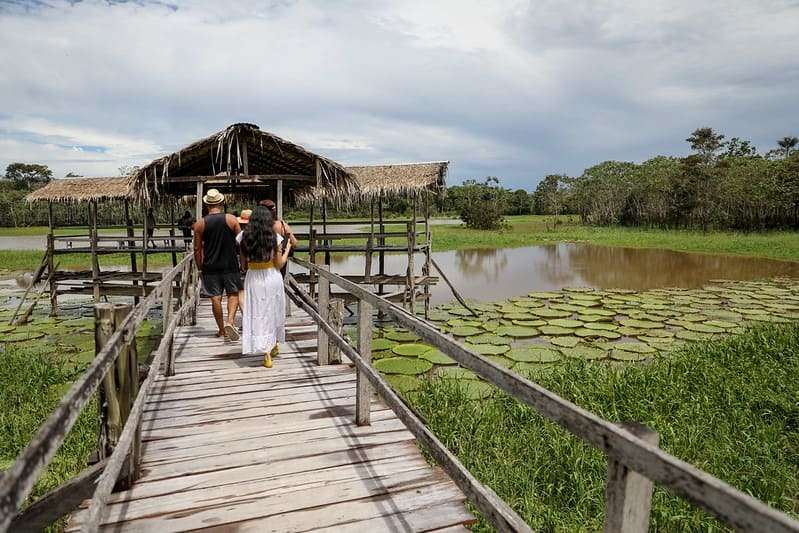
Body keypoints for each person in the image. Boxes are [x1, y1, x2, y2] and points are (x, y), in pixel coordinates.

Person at [239, 206, 292, 368]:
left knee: (258, 312)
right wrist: (287, 248)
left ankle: (267, 352)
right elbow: (279, 263)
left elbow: (243, 265)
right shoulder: (273, 237)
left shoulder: (243, 237)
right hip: (271, 276)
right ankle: (273, 344)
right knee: (273, 310)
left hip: (253, 277)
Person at [192, 189, 242, 340]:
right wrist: (243, 260)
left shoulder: (200, 224)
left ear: (206, 205)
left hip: (210, 266)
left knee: (215, 297)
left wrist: (200, 266)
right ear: (221, 202)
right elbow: (241, 242)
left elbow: (197, 249)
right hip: (230, 264)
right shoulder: (232, 220)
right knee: (233, 294)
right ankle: (230, 321)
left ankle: (221, 329)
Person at [259, 199, 297, 277]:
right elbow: (294, 243)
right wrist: (287, 247)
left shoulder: (256, 226)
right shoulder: (282, 225)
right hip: (279, 263)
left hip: (260, 264)